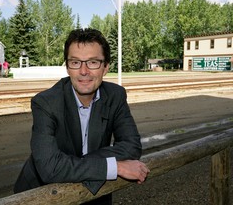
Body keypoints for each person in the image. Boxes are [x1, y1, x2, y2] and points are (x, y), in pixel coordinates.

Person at [14, 28, 150, 204]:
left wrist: (71, 164)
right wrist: (112, 166)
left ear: (106, 67)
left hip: (93, 193)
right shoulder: (45, 103)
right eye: (75, 62)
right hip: (40, 196)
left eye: (93, 62)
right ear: (67, 67)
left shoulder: (115, 95)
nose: (84, 71)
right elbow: (49, 168)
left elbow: (131, 146)